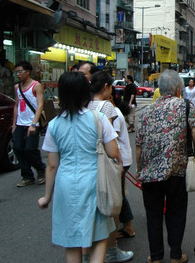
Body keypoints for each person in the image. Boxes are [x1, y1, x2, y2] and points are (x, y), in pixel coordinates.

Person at [38, 72, 120, 263]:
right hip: (94, 183)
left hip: (66, 185)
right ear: (86, 92)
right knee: (99, 237)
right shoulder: (98, 118)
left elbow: (51, 166)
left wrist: (47, 197)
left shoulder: (54, 125)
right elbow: (114, 152)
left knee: (72, 242)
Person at [136, 70, 195, 263]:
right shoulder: (184, 105)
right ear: (177, 89)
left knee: (153, 215)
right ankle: (176, 255)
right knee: (176, 212)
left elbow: (139, 147)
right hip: (176, 170)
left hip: (149, 173)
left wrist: (139, 169)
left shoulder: (146, 111)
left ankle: (156, 256)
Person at [87, 71, 133, 263]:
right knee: (114, 205)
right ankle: (111, 248)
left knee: (98, 205)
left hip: (93, 162)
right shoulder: (106, 106)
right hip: (112, 161)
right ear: (106, 87)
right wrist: (119, 163)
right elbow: (110, 140)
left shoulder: (85, 105)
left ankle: (91, 248)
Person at [12, 60, 46, 187]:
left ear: (28, 72)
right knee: (18, 148)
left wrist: (33, 123)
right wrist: (14, 124)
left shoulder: (36, 85)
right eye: (17, 72)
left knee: (30, 148)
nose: (18, 74)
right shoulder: (17, 87)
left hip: (32, 123)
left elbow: (40, 104)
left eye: (20, 71)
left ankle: (41, 168)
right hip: (20, 123)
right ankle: (27, 176)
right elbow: (16, 105)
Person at [109, 89, 136, 240]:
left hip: (120, 160)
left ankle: (127, 227)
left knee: (118, 195)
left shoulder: (114, 114)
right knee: (119, 193)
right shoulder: (115, 111)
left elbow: (114, 141)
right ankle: (127, 226)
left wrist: (117, 163)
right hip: (122, 160)